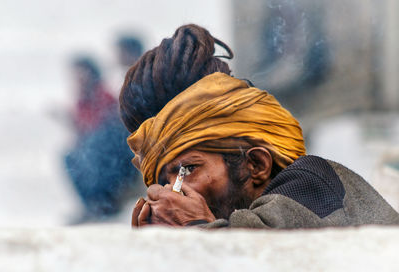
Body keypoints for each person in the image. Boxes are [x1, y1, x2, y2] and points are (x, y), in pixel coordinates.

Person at [119, 24, 399, 228]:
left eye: (187, 170)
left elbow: (260, 258)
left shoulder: (312, 185)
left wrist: (194, 229)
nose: (173, 193)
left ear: (256, 164)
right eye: (164, 181)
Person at [64, 56, 137, 223]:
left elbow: (112, 128)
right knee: (71, 158)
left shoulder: (104, 96)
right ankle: (92, 205)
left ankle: (106, 203)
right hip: (95, 154)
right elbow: (81, 134)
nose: (78, 78)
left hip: (114, 154)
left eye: (81, 73)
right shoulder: (81, 102)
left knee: (95, 150)